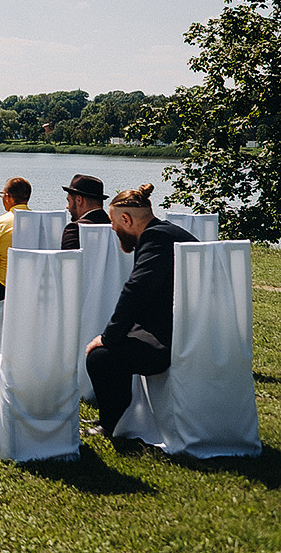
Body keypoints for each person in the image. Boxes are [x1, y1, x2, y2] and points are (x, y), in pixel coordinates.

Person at [84, 183, 192, 438]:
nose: (112, 228)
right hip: (183, 327)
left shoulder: (155, 239)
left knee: (101, 357)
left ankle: (113, 423)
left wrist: (108, 337)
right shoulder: (167, 232)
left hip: (170, 338)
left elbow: (136, 291)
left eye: (113, 221)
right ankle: (122, 414)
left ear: (125, 219)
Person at [60, 174, 110, 250]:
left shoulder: (76, 230)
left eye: (69, 201)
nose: (67, 206)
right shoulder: (115, 227)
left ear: (79, 200)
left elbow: (68, 260)